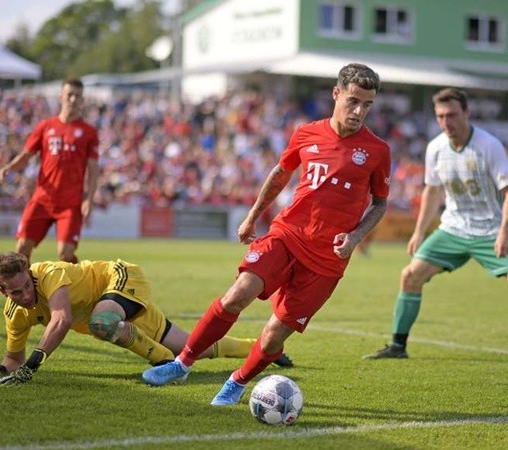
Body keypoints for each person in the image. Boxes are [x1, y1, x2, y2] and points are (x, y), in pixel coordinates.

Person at [142, 63, 391, 406]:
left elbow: (380, 204)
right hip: (287, 234)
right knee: (236, 295)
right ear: (337, 93)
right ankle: (182, 362)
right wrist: (252, 216)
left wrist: (356, 237)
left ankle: (237, 382)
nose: (359, 111)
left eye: (367, 105)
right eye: (353, 101)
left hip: (328, 258)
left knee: (275, 333)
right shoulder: (306, 133)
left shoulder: (378, 150)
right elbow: (280, 173)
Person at [363, 88, 508, 364]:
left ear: (466, 113)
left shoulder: (489, 146)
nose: (446, 122)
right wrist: (418, 232)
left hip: (491, 230)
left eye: (451, 115)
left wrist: (504, 233)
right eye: (440, 116)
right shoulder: (436, 148)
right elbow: (432, 192)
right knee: (410, 276)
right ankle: (397, 345)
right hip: (454, 229)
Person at [0, 252, 293, 385]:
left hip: (120, 281)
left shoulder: (48, 274)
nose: (26, 295)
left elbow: (61, 319)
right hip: (113, 313)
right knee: (197, 346)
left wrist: (34, 364)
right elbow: (13, 358)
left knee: (101, 323)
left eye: (26, 286)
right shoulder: (14, 315)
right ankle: (262, 349)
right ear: (2, 292)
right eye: (16, 292)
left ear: (30, 274)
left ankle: (169, 366)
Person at [0, 78, 99, 263]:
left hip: (70, 203)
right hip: (42, 199)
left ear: (82, 100)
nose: (73, 100)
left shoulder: (88, 132)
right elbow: (27, 155)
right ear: (61, 97)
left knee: (65, 254)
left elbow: (93, 169)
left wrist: (89, 200)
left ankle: (75, 289)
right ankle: (23, 291)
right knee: (21, 248)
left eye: (78, 96)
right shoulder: (46, 126)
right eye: (70, 95)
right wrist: (9, 167)